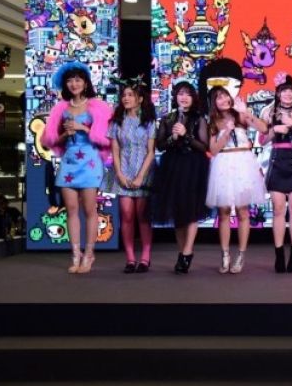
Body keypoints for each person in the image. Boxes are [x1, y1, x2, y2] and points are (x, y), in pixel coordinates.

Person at [41, 62, 113, 274]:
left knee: (90, 210)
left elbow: (108, 140)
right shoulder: (60, 109)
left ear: (86, 83)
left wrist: (84, 128)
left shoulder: (98, 107)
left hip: (90, 162)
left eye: (78, 80)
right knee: (71, 209)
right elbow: (49, 140)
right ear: (65, 84)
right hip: (69, 162)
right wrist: (65, 134)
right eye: (70, 80)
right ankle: (75, 255)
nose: (74, 84)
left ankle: (89, 255)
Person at [206, 84, 267, 274]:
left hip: (243, 163)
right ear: (214, 103)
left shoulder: (240, 115)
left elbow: (264, 129)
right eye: (219, 97)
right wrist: (225, 132)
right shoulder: (213, 122)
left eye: (226, 96)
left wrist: (246, 113)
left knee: (243, 212)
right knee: (224, 212)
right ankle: (225, 255)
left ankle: (241, 255)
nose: (224, 100)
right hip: (223, 163)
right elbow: (213, 150)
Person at [152, 79, 209, 274]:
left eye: (188, 94)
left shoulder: (199, 119)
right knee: (177, 212)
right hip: (172, 166)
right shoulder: (167, 119)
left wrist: (187, 135)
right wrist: (173, 138)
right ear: (175, 97)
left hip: (194, 166)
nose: (184, 97)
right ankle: (181, 251)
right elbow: (160, 146)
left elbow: (204, 146)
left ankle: (187, 252)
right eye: (180, 94)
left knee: (191, 209)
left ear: (193, 98)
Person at [260, 73, 292, 273]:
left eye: (291, 90)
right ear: (278, 93)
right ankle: (279, 254)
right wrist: (276, 129)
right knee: (278, 209)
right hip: (277, 161)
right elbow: (262, 140)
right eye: (284, 91)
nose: (288, 94)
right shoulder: (269, 112)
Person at [107, 76, 157, 274]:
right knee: (126, 214)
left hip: (143, 171)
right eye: (124, 95)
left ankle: (145, 257)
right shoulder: (116, 122)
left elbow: (151, 151)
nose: (126, 98)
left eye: (130, 95)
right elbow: (115, 150)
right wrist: (119, 173)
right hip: (124, 170)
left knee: (142, 216)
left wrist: (140, 176)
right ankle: (129, 258)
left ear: (140, 99)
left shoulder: (149, 122)